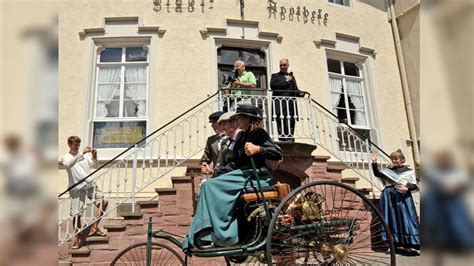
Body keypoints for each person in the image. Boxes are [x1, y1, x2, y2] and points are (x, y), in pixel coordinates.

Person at [183, 104, 282, 251]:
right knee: (208, 185)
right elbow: (234, 164)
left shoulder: (259, 133)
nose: (236, 121)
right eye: (235, 118)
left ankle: (224, 235)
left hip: (256, 176)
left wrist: (258, 149)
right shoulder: (241, 137)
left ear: (248, 119)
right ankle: (205, 234)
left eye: (239, 118)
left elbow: (276, 153)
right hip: (242, 174)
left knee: (210, 187)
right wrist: (216, 174)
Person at [60, 136, 108, 249]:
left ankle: (94, 227)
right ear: (70, 145)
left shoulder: (83, 155)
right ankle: (77, 240)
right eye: (75, 145)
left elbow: (94, 165)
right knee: (76, 215)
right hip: (76, 188)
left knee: (104, 202)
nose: (77, 147)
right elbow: (69, 164)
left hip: (89, 184)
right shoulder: (65, 157)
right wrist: (82, 153)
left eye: (78, 145)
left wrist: (94, 155)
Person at [371, 149, 420, 254]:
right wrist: (374, 162)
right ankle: (391, 245)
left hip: (403, 197)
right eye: (393, 159)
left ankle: (408, 245)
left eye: (396, 158)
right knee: (390, 219)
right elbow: (377, 174)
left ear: (402, 160)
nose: (394, 160)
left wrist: (407, 189)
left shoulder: (408, 171)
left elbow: (414, 185)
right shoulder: (388, 171)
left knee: (405, 219)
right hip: (389, 197)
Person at [270, 59, 302, 142]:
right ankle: (282, 138)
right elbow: (273, 86)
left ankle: (290, 137)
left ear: (288, 65)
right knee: (281, 120)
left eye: (284, 65)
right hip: (280, 102)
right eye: (281, 65)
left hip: (291, 102)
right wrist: (286, 81)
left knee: (291, 119)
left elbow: (295, 89)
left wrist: (301, 93)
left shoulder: (292, 77)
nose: (282, 67)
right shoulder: (275, 76)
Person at [202, 112, 242, 178]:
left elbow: (235, 163)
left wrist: (213, 172)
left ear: (234, 123)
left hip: (237, 176)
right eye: (221, 124)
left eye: (224, 124)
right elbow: (218, 161)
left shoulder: (242, 138)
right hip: (223, 175)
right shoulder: (225, 142)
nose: (222, 127)